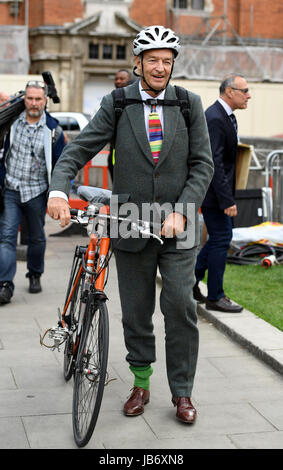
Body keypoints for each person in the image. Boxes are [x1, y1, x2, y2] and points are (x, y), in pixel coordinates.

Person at [47, 25, 214, 424]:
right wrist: (57, 190)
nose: (160, 67)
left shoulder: (189, 104)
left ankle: (182, 392)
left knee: (179, 305)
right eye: (152, 60)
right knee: (136, 313)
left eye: (167, 61)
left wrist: (183, 209)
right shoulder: (118, 103)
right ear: (137, 63)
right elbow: (79, 149)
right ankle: (141, 383)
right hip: (129, 222)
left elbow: (202, 165)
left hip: (179, 225)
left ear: (173, 65)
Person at [0, 80, 66, 304]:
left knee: (36, 238)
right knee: (7, 236)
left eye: (38, 99)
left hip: (37, 192)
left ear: (45, 100)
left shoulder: (53, 130)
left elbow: (61, 164)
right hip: (11, 188)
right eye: (30, 98)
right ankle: (5, 284)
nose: (34, 103)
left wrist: (57, 193)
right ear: (24, 99)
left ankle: (35, 274)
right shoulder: (10, 123)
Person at [193, 73, 251, 312]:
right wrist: (226, 200)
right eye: (244, 91)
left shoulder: (227, 117)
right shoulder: (215, 117)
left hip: (217, 193)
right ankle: (215, 296)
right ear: (230, 92)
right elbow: (214, 162)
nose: (249, 95)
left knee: (218, 238)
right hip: (214, 195)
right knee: (221, 239)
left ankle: (189, 282)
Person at [108, 69, 133, 181]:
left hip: (132, 157)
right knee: (116, 192)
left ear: (130, 80)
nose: (118, 81)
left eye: (122, 79)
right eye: (116, 79)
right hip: (115, 155)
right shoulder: (112, 100)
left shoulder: (135, 100)